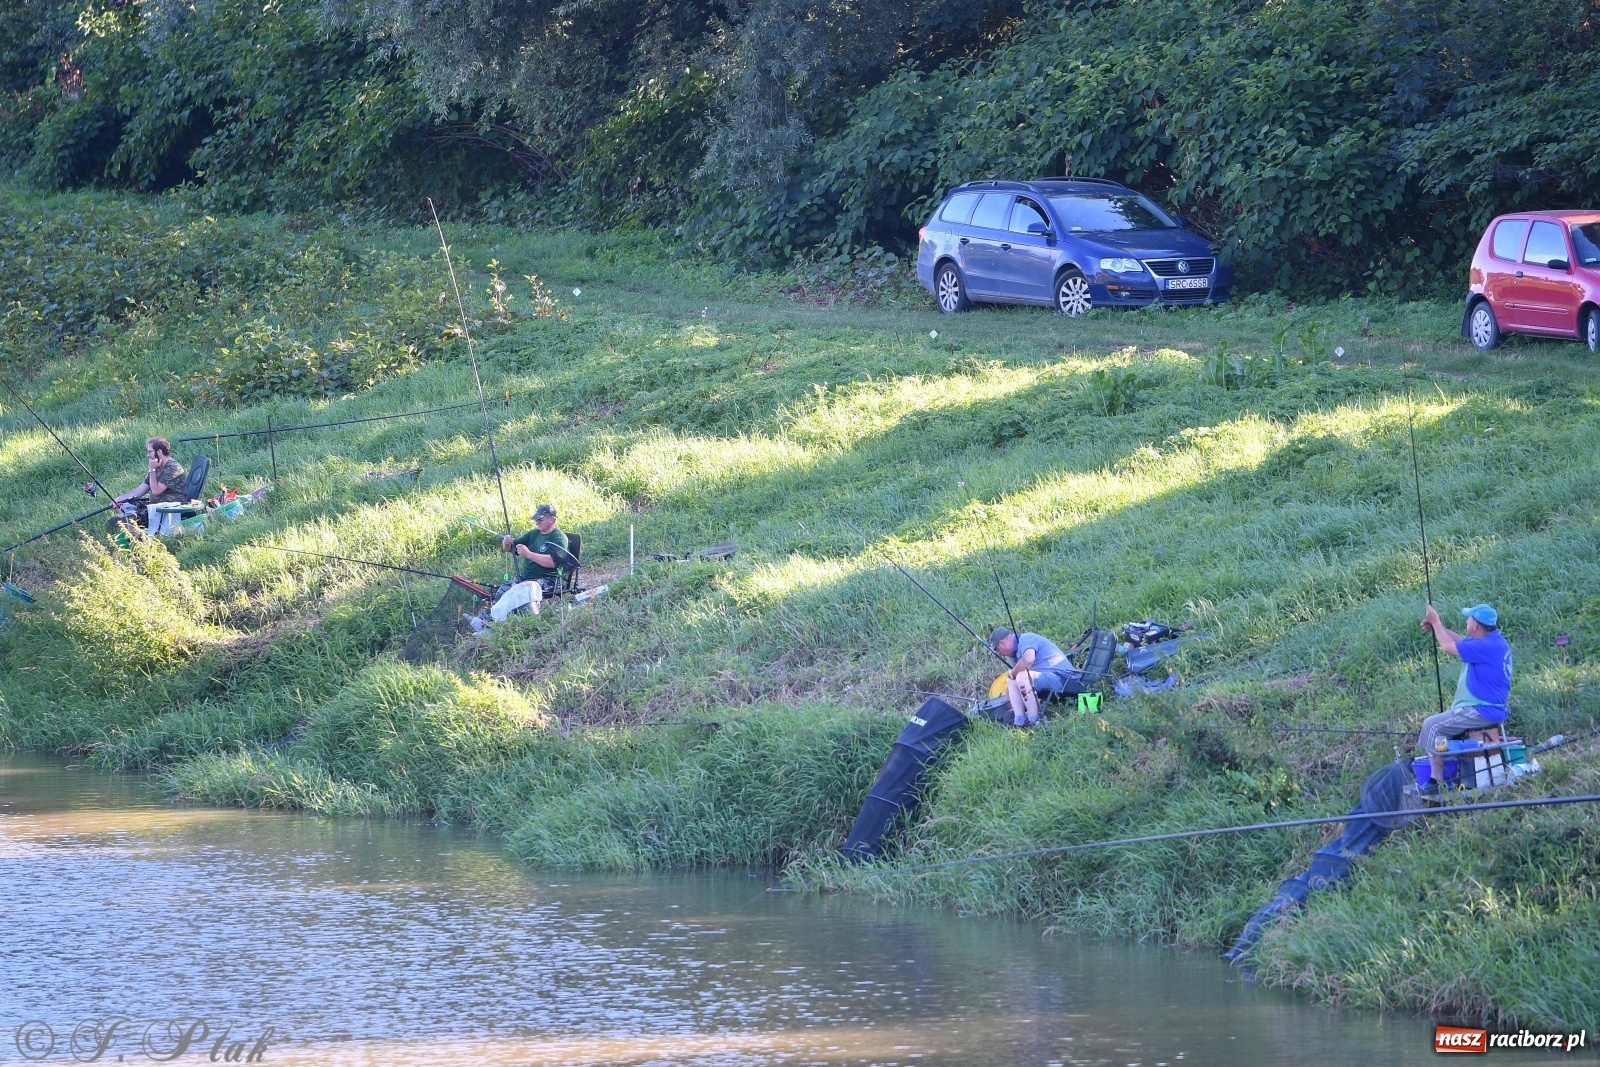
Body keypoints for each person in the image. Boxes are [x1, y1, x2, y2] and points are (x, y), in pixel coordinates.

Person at [1417, 603, 1513, 795]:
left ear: (1475, 625)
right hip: (1485, 708)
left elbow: (1448, 647)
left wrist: (1436, 621)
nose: (1466, 621)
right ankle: (1447, 772)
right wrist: (1439, 629)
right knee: (1441, 730)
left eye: (1469, 618)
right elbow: (1460, 642)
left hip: (1482, 710)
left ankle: (1437, 780)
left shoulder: (1486, 645)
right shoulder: (1493, 641)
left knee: (1432, 726)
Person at [469, 503, 572, 631]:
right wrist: (506, 542)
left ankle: (485, 622)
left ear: (552, 519)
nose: (537, 522)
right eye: (536, 519)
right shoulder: (534, 534)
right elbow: (510, 548)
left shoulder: (559, 537)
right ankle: (493, 624)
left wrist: (529, 554)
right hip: (527, 578)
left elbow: (553, 562)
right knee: (503, 590)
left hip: (548, 580)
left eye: (541, 519)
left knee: (517, 592)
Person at [988, 626, 1077, 727]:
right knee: (1012, 679)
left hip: (1065, 680)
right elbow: (1012, 679)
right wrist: (1006, 702)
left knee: (1021, 676)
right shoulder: (1014, 656)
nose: (1000, 654)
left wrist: (1012, 674)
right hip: (1048, 680)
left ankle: (1034, 721)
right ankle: (1019, 721)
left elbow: (1029, 659)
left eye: (998, 650)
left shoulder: (1026, 639)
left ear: (1002, 643)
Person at [108, 437, 186, 530]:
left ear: (159, 452)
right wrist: (119, 499)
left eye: (150, 452)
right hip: (157, 504)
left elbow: (156, 491)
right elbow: (140, 490)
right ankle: (129, 516)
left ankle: (131, 519)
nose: (148, 455)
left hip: (170, 507)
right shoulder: (157, 467)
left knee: (143, 514)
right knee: (127, 502)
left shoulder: (173, 467)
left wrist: (152, 469)